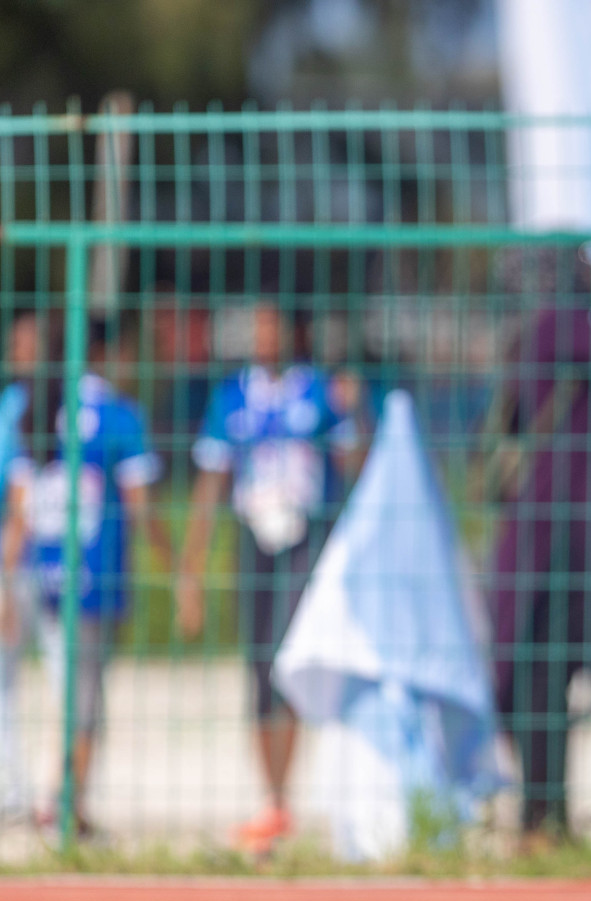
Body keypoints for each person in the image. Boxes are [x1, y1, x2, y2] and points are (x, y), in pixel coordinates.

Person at [177, 301, 360, 854]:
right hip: (253, 540)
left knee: (292, 660)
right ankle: (274, 798)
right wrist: (192, 567)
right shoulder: (230, 398)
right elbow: (210, 484)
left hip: (306, 541)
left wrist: (355, 414)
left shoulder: (319, 392)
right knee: (259, 666)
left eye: (271, 326)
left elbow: (357, 469)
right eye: (254, 327)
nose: (262, 336)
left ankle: (295, 793)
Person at [0, 321, 174, 837]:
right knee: (79, 698)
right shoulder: (118, 414)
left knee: (12, 685)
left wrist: (5, 575)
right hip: (89, 578)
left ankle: (20, 794)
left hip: (32, 568)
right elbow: (142, 507)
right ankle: (62, 803)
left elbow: (21, 506)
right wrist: (178, 569)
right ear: (102, 351)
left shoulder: (32, 406)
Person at [487, 246, 591, 852]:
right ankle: (542, 816)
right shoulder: (558, 331)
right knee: (541, 682)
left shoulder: (535, 335)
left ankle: (546, 816)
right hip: (554, 545)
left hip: (553, 543)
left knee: (544, 682)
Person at [0, 312, 40, 821]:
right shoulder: (10, 406)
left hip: (34, 556)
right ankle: (15, 790)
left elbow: (24, 498)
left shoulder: (67, 404)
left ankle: (56, 796)